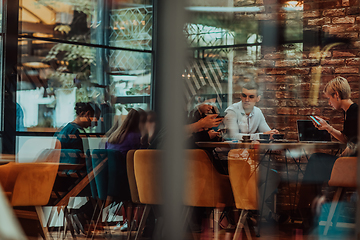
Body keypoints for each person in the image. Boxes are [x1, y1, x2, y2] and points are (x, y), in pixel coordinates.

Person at [298, 76, 358, 232]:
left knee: (315, 160)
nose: (329, 103)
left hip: (352, 167)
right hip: (351, 165)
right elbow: (347, 138)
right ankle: (310, 214)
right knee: (316, 164)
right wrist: (328, 128)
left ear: (336, 95)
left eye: (329, 98)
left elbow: (354, 143)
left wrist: (345, 154)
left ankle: (307, 213)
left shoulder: (354, 111)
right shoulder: (351, 111)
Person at [223, 80, 282, 222]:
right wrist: (261, 136)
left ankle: (253, 211)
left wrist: (272, 134)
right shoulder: (232, 111)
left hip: (247, 159)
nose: (247, 99)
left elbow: (265, 132)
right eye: (244, 96)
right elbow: (233, 136)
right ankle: (262, 213)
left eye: (251, 96)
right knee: (267, 175)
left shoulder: (257, 112)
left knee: (273, 176)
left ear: (258, 99)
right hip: (228, 159)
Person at [105, 109, 142, 231]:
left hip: (109, 181)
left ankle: (126, 222)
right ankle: (135, 222)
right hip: (124, 181)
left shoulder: (112, 137)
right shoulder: (135, 136)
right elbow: (139, 155)